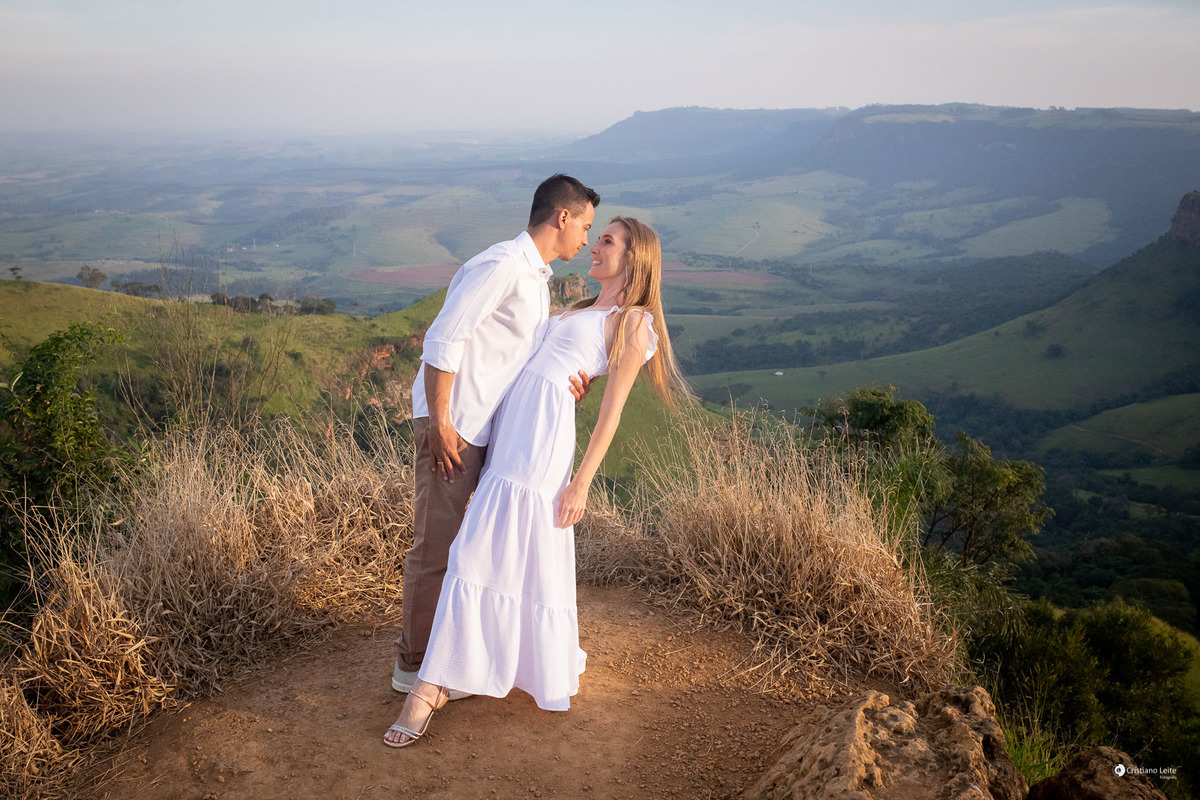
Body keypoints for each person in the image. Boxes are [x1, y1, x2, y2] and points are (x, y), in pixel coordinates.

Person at [384, 216, 690, 747]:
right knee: (498, 552)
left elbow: (612, 411)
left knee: (475, 551)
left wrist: (582, 483)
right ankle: (477, 663)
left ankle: (427, 689)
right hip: (511, 430)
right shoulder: (581, 307)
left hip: (541, 442)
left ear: (634, 258)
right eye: (596, 235)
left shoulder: (634, 321)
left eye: (607, 240)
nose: (594, 246)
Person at [393, 174, 601, 698]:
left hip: (486, 429)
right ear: (562, 217)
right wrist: (440, 423)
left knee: (473, 549)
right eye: (585, 226)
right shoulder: (504, 264)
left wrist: (571, 383)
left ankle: (457, 659)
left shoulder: (536, 278)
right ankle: (413, 665)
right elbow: (444, 338)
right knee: (437, 547)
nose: (586, 238)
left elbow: (519, 357)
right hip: (455, 426)